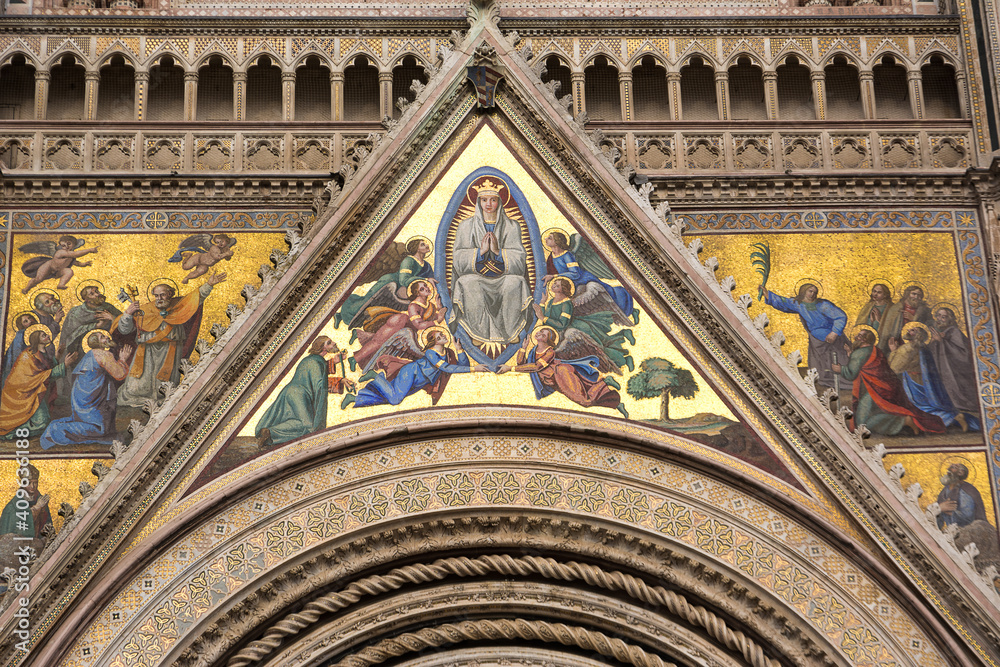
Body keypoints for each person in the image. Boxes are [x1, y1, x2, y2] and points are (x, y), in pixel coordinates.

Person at [113, 273, 225, 407]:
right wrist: (127, 314)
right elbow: (125, 329)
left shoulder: (178, 305)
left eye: (163, 295)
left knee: (164, 386)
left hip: (169, 351)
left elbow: (194, 299)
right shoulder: (145, 310)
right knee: (136, 387)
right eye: (156, 295)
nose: (159, 298)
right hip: (146, 353)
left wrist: (209, 285)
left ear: (170, 294)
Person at [450, 177, 532, 347]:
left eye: (493, 200)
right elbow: (457, 258)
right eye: (484, 200)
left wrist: (497, 252)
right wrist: (480, 252)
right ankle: (478, 332)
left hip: (504, 276)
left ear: (499, 202)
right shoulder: (465, 226)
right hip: (477, 276)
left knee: (515, 282)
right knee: (468, 282)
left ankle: (510, 332)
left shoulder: (512, 226)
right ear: (478, 202)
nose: (488, 204)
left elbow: (520, 258)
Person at [832, 327, 945, 435]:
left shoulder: (860, 353)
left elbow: (851, 374)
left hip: (875, 389)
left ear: (864, 339)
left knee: (862, 424)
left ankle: (904, 421)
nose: (856, 337)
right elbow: (867, 364)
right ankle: (903, 420)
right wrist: (851, 355)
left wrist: (840, 369)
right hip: (887, 386)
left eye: (859, 336)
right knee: (872, 414)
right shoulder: (876, 350)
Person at [343, 326, 489, 408]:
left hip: (420, 382)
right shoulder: (431, 353)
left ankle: (355, 399)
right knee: (395, 400)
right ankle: (375, 376)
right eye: (439, 337)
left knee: (387, 397)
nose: (443, 337)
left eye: (442, 335)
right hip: (410, 374)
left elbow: (463, 366)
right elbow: (446, 368)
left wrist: (459, 349)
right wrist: (475, 369)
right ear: (433, 342)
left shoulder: (449, 352)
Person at [498, 325, 628, 417]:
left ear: (548, 340)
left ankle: (606, 382)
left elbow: (537, 367)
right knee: (586, 392)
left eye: (544, 334)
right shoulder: (533, 351)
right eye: (540, 332)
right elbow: (523, 365)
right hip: (554, 380)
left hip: (561, 373)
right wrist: (523, 349)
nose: (539, 334)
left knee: (584, 401)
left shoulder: (550, 352)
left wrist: (510, 368)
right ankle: (616, 403)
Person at [39, 330, 132, 450]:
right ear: (96, 343)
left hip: (83, 401)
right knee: (100, 430)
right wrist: (123, 359)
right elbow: (119, 374)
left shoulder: (90, 355)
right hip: (92, 401)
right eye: (102, 337)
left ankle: (59, 426)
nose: (107, 338)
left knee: (93, 425)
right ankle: (55, 430)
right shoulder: (103, 355)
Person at [255, 336, 349, 448]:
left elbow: (313, 374)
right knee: (310, 428)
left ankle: (268, 432)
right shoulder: (316, 362)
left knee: (299, 421)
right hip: (300, 395)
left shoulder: (309, 360)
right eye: (329, 343)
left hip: (289, 392)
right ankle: (272, 433)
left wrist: (333, 362)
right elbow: (319, 384)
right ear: (322, 348)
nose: (334, 343)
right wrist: (339, 381)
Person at [889, 322, 978, 432]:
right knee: (923, 405)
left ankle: (953, 417)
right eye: (909, 330)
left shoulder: (908, 348)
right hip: (923, 381)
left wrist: (893, 351)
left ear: (919, 334)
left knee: (920, 407)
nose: (909, 332)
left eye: (913, 330)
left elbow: (895, 368)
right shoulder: (923, 347)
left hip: (914, 382)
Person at [532, 276, 634, 371]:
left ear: (563, 289)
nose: (553, 286)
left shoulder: (566, 304)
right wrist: (542, 303)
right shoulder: (550, 302)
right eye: (554, 284)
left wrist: (543, 317)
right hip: (557, 331)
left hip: (576, 327)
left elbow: (563, 324)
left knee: (599, 347)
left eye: (557, 285)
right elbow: (545, 315)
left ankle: (623, 359)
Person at [760, 282, 847, 389]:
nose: (812, 294)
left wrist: (834, 332)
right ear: (804, 291)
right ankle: (822, 378)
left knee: (839, 357)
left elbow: (841, 316)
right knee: (819, 361)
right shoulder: (798, 303)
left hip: (832, 335)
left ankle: (844, 376)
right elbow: (784, 302)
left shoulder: (823, 305)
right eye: (810, 291)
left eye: (815, 292)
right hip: (816, 338)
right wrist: (768, 294)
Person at [336, 237, 436, 329]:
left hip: (404, 291)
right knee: (366, 302)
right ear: (416, 248)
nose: (427, 246)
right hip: (390, 282)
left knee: (381, 310)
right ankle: (341, 314)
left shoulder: (426, 265)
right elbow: (403, 280)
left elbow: (433, 281)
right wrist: (425, 280)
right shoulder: (409, 260)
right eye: (422, 244)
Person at [542, 230, 637, 324]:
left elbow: (576, 273)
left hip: (582, 279)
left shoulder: (567, 255)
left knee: (597, 292)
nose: (546, 239)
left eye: (550, 238)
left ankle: (622, 308)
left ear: (557, 241)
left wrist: (554, 276)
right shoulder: (552, 256)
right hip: (569, 283)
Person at [349, 279, 445, 371]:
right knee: (378, 342)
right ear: (417, 293)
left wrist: (439, 309)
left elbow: (432, 317)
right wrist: (437, 321)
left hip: (407, 329)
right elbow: (418, 324)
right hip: (399, 322)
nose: (426, 288)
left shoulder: (429, 305)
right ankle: (354, 359)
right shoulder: (414, 306)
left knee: (382, 342)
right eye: (422, 289)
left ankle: (358, 334)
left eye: (425, 286)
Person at [0, 325, 75, 439]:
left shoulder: (42, 353)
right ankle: (11, 434)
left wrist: (56, 357)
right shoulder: (27, 356)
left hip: (34, 392)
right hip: (21, 396)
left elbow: (46, 373)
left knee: (45, 420)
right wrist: (64, 365)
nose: (47, 336)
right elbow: (41, 376)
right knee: (42, 422)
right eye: (43, 335)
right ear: (36, 339)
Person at [927, 307, 980, 418]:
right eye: (938, 315)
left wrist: (942, 342)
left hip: (954, 370)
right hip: (939, 367)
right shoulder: (934, 331)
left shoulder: (954, 331)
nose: (940, 319)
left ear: (949, 319)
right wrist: (933, 342)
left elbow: (965, 353)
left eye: (944, 317)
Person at [0, 465, 51, 539]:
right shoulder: (12, 506)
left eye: (35, 483)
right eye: (29, 483)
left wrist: (43, 511)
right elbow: (18, 529)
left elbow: (47, 526)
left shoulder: (41, 501)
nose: (33, 486)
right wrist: (37, 508)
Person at [879, 285, 932, 352]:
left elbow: (929, 327)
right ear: (907, 294)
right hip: (897, 343)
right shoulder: (895, 308)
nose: (916, 297)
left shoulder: (925, 311)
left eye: (919, 295)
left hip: (916, 345)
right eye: (913, 294)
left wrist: (913, 319)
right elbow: (887, 329)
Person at [936, 463, 987, 529]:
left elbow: (967, 516)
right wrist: (940, 509)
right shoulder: (945, 491)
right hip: (950, 532)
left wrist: (947, 511)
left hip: (969, 532)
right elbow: (938, 512)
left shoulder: (967, 491)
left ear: (961, 473)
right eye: (950, 467)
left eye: (954, 467)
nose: (949, 468)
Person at [1, 312, 39, 388]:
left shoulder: (39, 333)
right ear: (21, 325)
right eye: (25, 321)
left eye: (29, 318)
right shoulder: (21, 334)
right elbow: (16, 354)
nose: (30, 321)